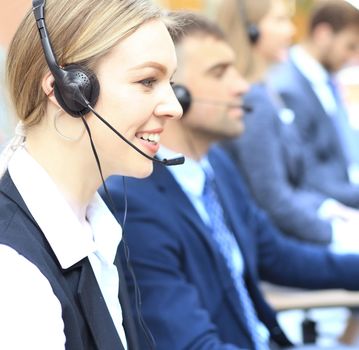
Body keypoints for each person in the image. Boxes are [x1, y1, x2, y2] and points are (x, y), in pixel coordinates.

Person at [103, 11, 359, 350]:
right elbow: (191, 344)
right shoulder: (134, 205)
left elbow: (277, 256)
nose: (242, 86)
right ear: (174, 96)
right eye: (220, 72)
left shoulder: (217, 167)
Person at [0, 0, 182, 349]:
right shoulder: (13, 274)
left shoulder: (94, 226)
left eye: (169, 82)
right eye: (147, 81)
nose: (174, 106)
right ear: (68, 91)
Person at [216, 0, 359, 248]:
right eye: (280, 20)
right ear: (251, 30)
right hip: (280, 245)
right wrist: (335, 232)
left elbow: (294, 183)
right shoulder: (253, 99)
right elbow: (274, 199)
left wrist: (325, 206)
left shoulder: (266, 91)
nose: (291, 31)